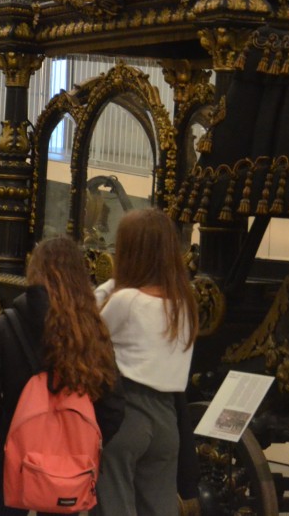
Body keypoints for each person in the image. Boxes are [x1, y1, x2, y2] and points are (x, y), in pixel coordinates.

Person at [0, 236, 125, 516]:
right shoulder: (92, 332)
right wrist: (83, 443)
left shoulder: (8, 325)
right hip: (69, 469)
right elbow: (113, 405)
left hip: (11, 459)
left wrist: (1, 441)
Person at [93, 208, 197, 516]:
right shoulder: (184, 303)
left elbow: (89, 335)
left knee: (113, 505)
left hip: (126, 412)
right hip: (168, 419)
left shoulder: (125, 300)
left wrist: (110, 286)